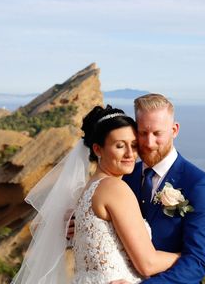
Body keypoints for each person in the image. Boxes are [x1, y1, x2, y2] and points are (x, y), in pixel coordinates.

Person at [12, 105, 179, 284]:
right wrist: (186, 255)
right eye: (120, 146)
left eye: (134, 145)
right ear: (98, 149)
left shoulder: (87, 189)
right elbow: (147, 264)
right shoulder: (115, 189)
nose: (130, 154)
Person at [122, 93, 205, 283]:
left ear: (174, 130)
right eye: (142, 133)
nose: (149, 144)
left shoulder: (199, 184)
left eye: (157, 133)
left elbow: (197, 262)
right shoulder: (125, 177)